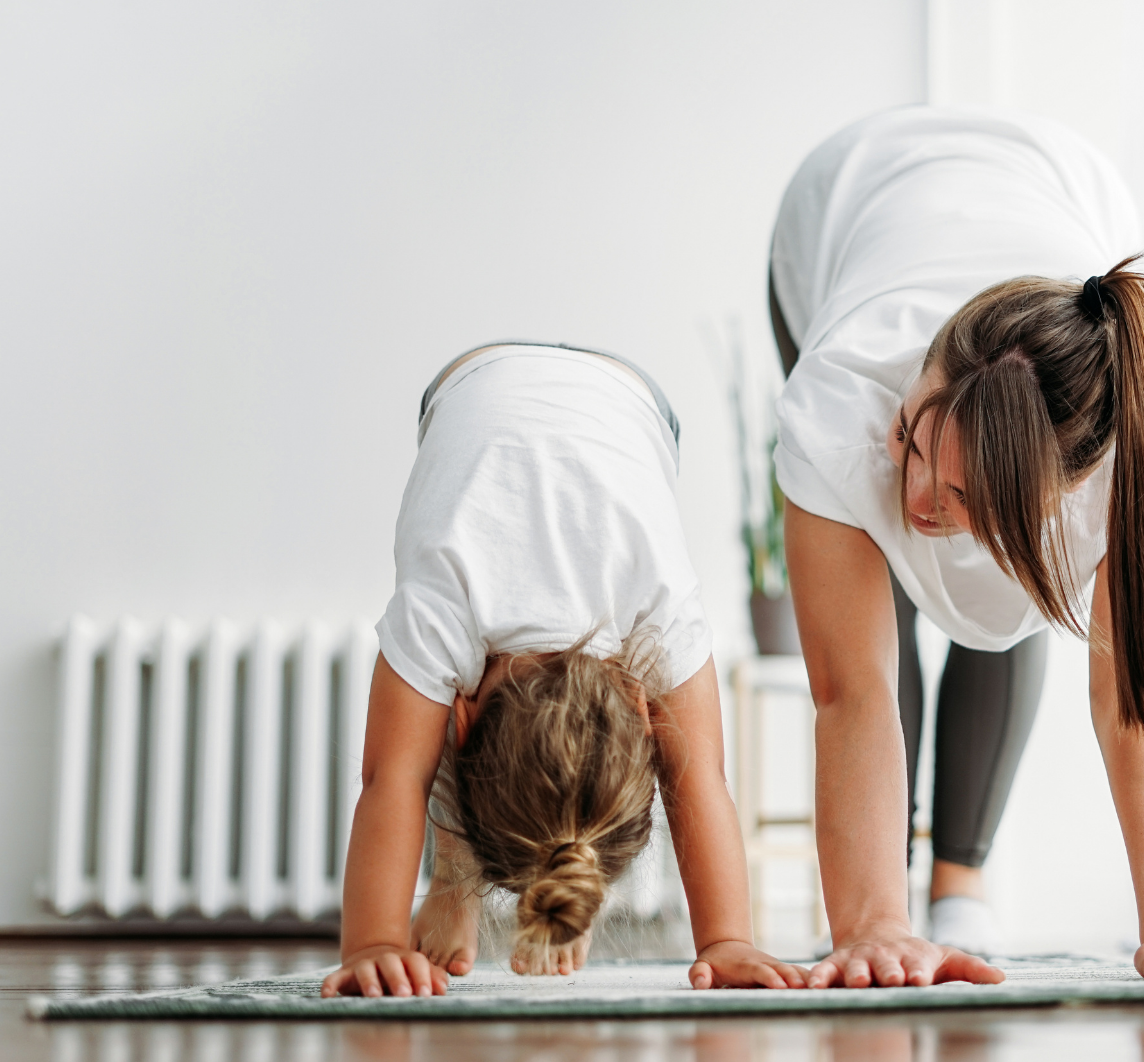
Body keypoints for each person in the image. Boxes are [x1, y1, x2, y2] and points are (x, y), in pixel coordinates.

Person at [768, 107, 1144, 987]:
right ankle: (897, 899)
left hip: (1061, 187)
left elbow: (1131, 692)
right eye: (919, 438)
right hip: (837, 203)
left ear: (1070, 487)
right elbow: (850, 692)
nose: (920, 501)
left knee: (1010, 584)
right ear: (923, 370)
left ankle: (960, 892)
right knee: (871, 608)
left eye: (964, 496)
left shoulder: (1129, 465)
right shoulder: (839, 404)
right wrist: (870, 925)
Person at [321, 341, 805, 997]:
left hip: (590, 396)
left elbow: (393, 779)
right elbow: (701, 782)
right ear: (644, 710)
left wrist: (373, 943)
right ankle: (457, 887)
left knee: (439, 725)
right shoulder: (642, 605)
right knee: (450, 723)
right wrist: (726, 940)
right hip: (526, 392)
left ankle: (518, 871)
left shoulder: (633, 607)